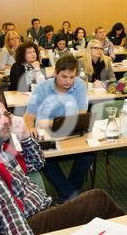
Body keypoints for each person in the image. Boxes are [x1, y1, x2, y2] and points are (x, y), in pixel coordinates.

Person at [0, 92, 125, 235]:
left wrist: (24, 136)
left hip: (33, 218)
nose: (6, 121)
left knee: (94, 223)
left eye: (5, 114)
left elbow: (37, 162)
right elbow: (4, 210)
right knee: (98, 201)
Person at [23, 55, 95, 202]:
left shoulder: (80, 85)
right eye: (63, 77)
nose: (68, 81)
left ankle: (67, 193)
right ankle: (72, 196)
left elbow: (80, 116)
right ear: (55, 73)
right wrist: (30, 128)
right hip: (47, 135)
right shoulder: (43, 88)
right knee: (42, 158)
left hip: (71, 134)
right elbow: (28, 117)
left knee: (89, 153)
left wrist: (56, 122)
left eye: (71, 77)